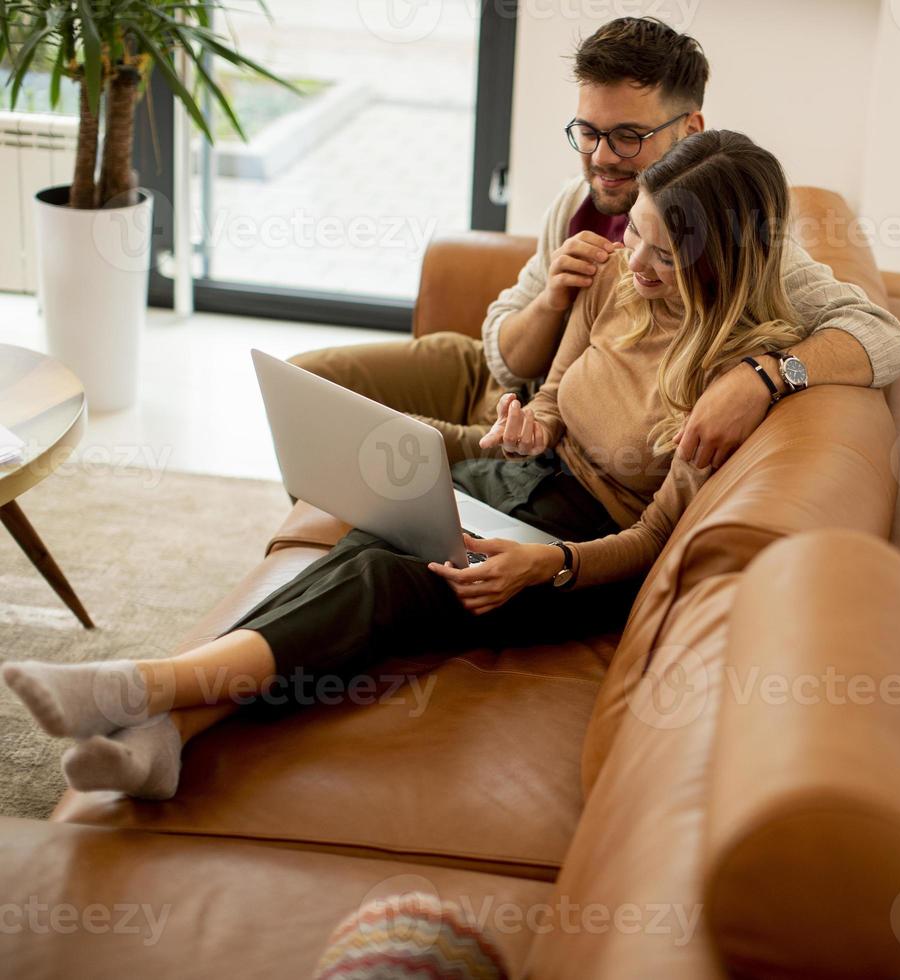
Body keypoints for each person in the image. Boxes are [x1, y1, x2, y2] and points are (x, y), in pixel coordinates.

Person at [2, 131, 826, 800]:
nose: (635, 264)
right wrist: (529, 426)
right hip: (520, 484)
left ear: (726, 259)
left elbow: (652, 536)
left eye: (663, 257)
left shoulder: (730, 378)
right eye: (635, 234)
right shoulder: (613, 279)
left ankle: (141, 687)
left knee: (380, 586)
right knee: (369, 538)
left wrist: (548, 567)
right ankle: (168, 736)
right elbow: (550, 399)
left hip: (582, 554)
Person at [292, 16, 900, 469]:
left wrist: (766, 377)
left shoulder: (738, 244)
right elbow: (504, 353)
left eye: (627, 137)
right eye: (587, 132)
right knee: (302, 389)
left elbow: (882, 336)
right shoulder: (576, 203)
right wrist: (553, 299)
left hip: (545, 437)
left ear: (691, 128)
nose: (601, 158)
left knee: (340, 439)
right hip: (498, 388)